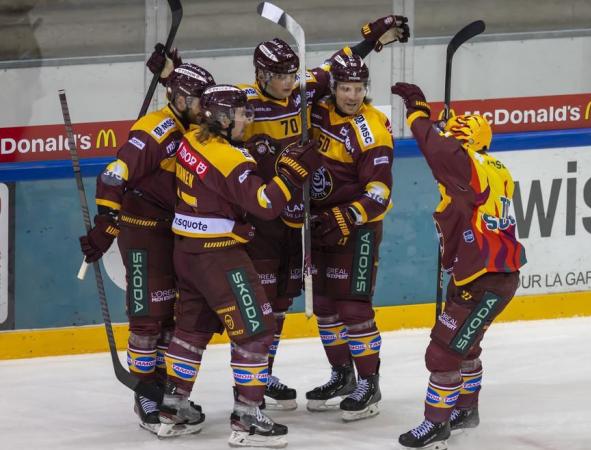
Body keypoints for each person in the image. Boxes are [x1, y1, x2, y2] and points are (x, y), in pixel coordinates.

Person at [146, 14, 410, 411]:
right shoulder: (241, 103)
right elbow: (203, 104)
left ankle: (279, 376)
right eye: (280, 76)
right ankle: (260, 375)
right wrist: (172, 77)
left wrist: (372, 41)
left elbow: (338, 68)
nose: (290, 82)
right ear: (260, 74)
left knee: (285, 300)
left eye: (292, 74)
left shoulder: (305, 92)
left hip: (298, 220)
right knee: (264, 299)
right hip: (260, 217)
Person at [157, 84, 321, 448]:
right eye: (243, 113)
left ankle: (173, 406)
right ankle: (247, 416)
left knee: (191, 331)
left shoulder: (191, 141)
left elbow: (213, 190)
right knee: (257, 331)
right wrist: (291, 175)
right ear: (221, 117)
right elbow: (265, 204)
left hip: (187, 252)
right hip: (219, 256)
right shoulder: (231, 159)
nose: (249, 118)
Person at [78, 62, 215, 433]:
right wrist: (106, 223)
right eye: (199, 99)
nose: (206, 106)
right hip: (142, 232)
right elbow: (114, 173)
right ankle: (145, 394)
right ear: (180, 98)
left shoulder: (195, 125)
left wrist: (174, 64)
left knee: (173, 315)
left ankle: (165, 388)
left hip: (175, 231)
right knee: (148, 315)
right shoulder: (157, 129)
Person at [391, 82, 527, 449]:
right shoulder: (495, 168)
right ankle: (465, 410)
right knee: (466, 346)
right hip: (484, 273)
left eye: (456, 137)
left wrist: (419, 112)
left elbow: (437, 149)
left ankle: (436, 425)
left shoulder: (469, 167)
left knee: (442, 352)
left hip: (485, 278)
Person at [304, 53, 394, 422]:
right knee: (325, 306)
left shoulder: (372, 129)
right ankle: (342, 376)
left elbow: (379, 193)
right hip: (319, 227)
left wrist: (346, 215)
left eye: (358, 88)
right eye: (345, 88)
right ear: (334, 88)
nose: (353, 95)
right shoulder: (317, 112)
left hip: (357, 231)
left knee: (353, 308)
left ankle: (369, 383)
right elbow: (303, 83)